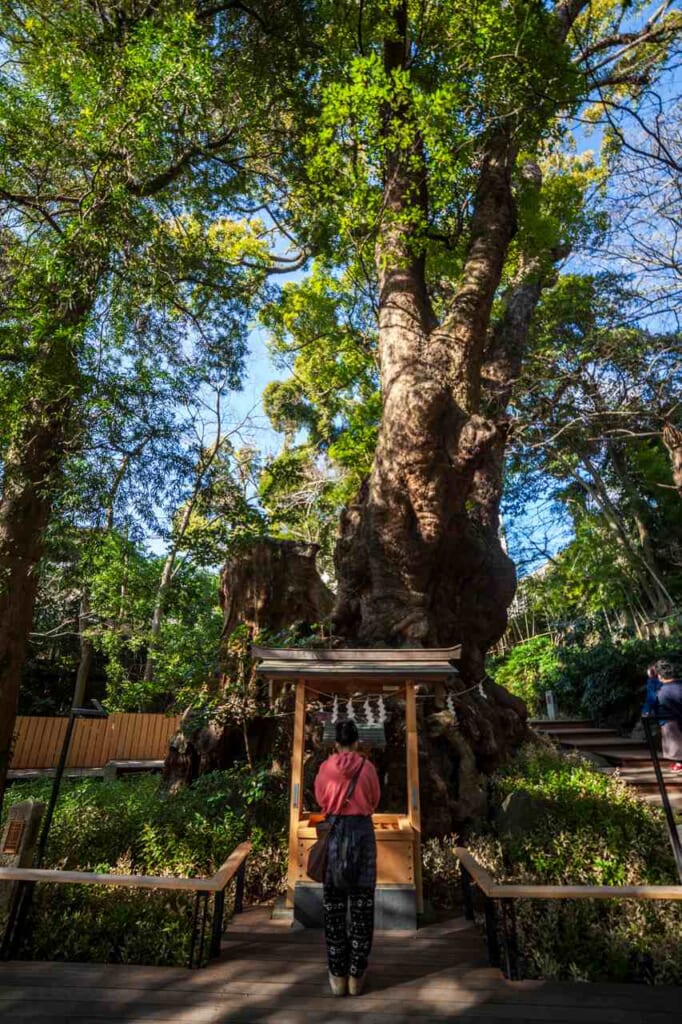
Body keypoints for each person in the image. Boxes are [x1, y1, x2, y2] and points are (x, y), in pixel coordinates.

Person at [314, 719, 381, 997]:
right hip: (363, 836)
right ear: (356, 742)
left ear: (335, 742)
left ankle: (337, 974)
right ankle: (356, 975)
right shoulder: (368, 768)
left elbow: (320, 798)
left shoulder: (325, 768)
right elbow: (375, 800)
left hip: (334, 835)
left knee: (334, 910)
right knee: (363, 909)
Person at [655, 657, 682, 772]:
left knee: (675, 741)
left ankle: (679, 763)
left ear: (660, 676)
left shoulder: (663, 692)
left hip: (671, 721)